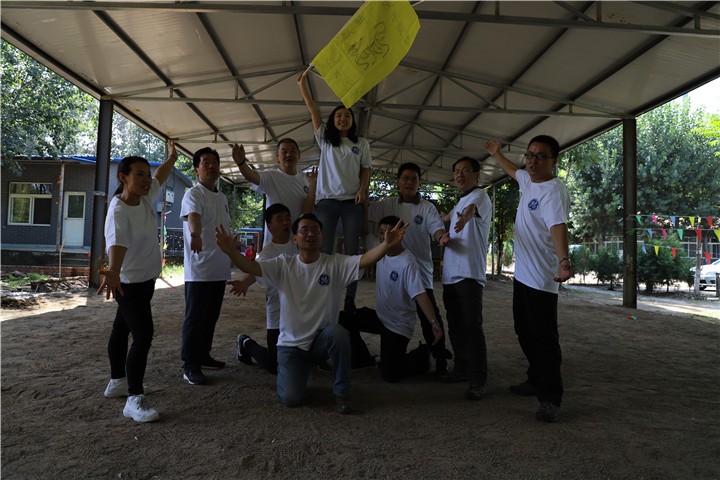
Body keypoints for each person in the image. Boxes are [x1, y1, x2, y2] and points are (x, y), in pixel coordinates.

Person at [215, 213, 407, 414]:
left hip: (321, 343)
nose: (310, 234)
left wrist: (387, 245)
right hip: (291, 346)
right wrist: (231, 253)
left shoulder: (334, 263)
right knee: (290, 398)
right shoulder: (283, 264)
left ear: (322, 237)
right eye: (304, 230)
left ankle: (342, 393)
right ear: (295, 239)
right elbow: (251, 266)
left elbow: (365, 260)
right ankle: (289, 368)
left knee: (338, 334)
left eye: (315, 230)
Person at [485, 136, 572, 423]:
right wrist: (497, 153)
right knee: (523, 329)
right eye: (530, 155)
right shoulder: (528, 180)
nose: (533, 161)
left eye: (541, 156)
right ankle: (535, 378)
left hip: (542, 279)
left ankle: (550, 398)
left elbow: (558, 226)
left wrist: (563, 261)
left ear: (553, 161)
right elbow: (513, 171)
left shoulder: (552, 191)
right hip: (523, 276)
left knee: (544, 338)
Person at [98, 141, 178, 423]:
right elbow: (116, 244)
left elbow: (161, 176)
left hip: (144, 281)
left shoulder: (144, 197)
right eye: (139, 174)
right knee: (143, 335)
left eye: (147, 174)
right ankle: (134, 398)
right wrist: (114, 271)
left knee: (121, 329)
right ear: (123, 177)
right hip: (128, 284)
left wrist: (172, 157)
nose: (146, 179)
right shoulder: (118, 211)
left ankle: (117, 382)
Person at [297, 70, 372, 313]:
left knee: (351, 252)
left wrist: (362, 190)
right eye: (338, 116)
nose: (343, 119)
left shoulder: (361, 143)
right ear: (333, 121)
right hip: (327, 202)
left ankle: (350, 298)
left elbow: (366, 169)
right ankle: (323, 292)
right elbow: (313, 110)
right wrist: (302, 86)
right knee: (324, 249)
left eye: (347, 116)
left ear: (352, 121)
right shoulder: (325, 139)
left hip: (352, 203)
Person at [367, 162, 452, 375]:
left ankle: (440, 360)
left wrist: (441, 237)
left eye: (414, 179)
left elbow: (436, 228)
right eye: (405, 178)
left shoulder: (426, 208)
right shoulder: (387, 204)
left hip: (419, 272)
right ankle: (401, 353)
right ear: (398, 181)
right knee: (391, 316)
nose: (409, 182)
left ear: (419, 182)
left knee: (430, 318)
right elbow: (365, 208)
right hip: (394, 273)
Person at [342, 216, 443, 383]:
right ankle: (362, 359)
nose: (385, 236)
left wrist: (434, 322)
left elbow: (420, 294)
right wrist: (365, 207)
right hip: (380, 317)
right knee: (342, 320)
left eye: (390, 232)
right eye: (382, 232)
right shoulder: (379, 249)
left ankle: (422, 356)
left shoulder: (407, 262)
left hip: (398, 326)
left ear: (401, 234)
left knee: (390, 375)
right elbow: (365, 233)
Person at [179, 146, 233, 386]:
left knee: (211, 316)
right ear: (196, 169)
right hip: (199, 268)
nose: (211, 166)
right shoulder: (194, 193)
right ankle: (190, 364)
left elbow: (223, 227)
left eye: (215, 162)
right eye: (206, 162)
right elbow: (194, 216)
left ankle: (203, 355)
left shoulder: (222, 197)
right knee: (195, 318)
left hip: (219, 266)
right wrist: (195, 235)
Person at [441, 157, 492, 401]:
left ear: (477, 174)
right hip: (450, 276)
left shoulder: (479, 196)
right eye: (456, 171)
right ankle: (461, 368)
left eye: (465, 171)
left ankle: (478, 379)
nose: (459, 175)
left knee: (472, 327)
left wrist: (465, 217)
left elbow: (471, 210)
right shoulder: (459, 201)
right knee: (455, 326)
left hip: (469, 275)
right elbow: (445, 219)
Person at [230, 203, 296, 374]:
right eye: (279, 219)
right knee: (275, 364)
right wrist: (244, 282)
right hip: (277, 315)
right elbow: (257, 269)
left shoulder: (298, 244)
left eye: (287, 219)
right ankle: (245, 342)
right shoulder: (267, 253)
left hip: (299, 314)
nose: (285, 223)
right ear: (269, 226)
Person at [231, 139, 315, 246]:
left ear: (299, 154)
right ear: (277, 156)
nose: (288, 155)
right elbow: (251, 176)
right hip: (274, 247)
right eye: (284, 152)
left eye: (292, 151)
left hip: (298, 246)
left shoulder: (307, 180)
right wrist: (241, 163)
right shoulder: (271, 176)